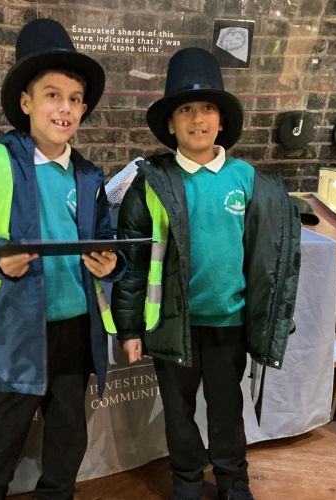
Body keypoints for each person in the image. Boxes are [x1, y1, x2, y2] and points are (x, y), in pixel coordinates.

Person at [0, 18, 124, 500]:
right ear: (26, 102)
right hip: (17, 322)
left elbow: (104, 239)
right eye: (52, 95)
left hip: (77, 324)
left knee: (68, 427)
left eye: (75, 99)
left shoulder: (89, 176)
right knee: (6, 423)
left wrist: (111, 263)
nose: (65, 108)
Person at [112, 47, 301, 500]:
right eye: (185, 110)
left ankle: (234, 480)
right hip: (171, 323)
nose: (198, 119)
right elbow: (132, 266)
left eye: (208, 108)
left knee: (226, 407)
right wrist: (130, 328)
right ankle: (188, 481)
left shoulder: (248, 181)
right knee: (178, 412)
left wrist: (270, 318)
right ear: (170, 123)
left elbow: (267, 260)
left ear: (222, 120)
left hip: (229, 323)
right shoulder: (151, 184)